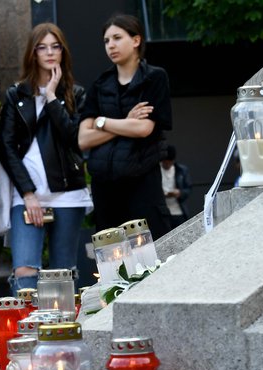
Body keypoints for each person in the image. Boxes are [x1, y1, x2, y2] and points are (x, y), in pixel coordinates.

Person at [0, 23, 92, 294]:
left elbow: (74, 139)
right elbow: (6, 147)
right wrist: (27, 192)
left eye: (55, 46)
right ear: (33, 52)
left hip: (67, 193)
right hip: (28, 195)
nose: (49, 52)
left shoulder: (75, 94)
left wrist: (51, 96)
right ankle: (27, 334)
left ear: (63, 51)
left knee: (63, 273)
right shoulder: (17, 94)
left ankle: (63, 334)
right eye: (42, 47)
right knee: (25, 271)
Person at [78, 14, 172, 240]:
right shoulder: (100, 85)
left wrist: (102, 122)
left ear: (136, 40)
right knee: (112, 260)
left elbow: (143, 129)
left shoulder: (154, 78)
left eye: (117, 38)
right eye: (106, 41)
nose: (111, 45)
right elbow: (83, 139)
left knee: (150, 253)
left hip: (142, 181)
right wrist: (125, 121)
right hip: (105, 187)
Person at [160, 144, 191, 228]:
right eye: (165, 162)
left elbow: (188, 189)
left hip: (179, 211)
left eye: (169, 162)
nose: (167, 165)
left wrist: (179, 193)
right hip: (163, 213)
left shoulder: (181, 170)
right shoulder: (155, 172)